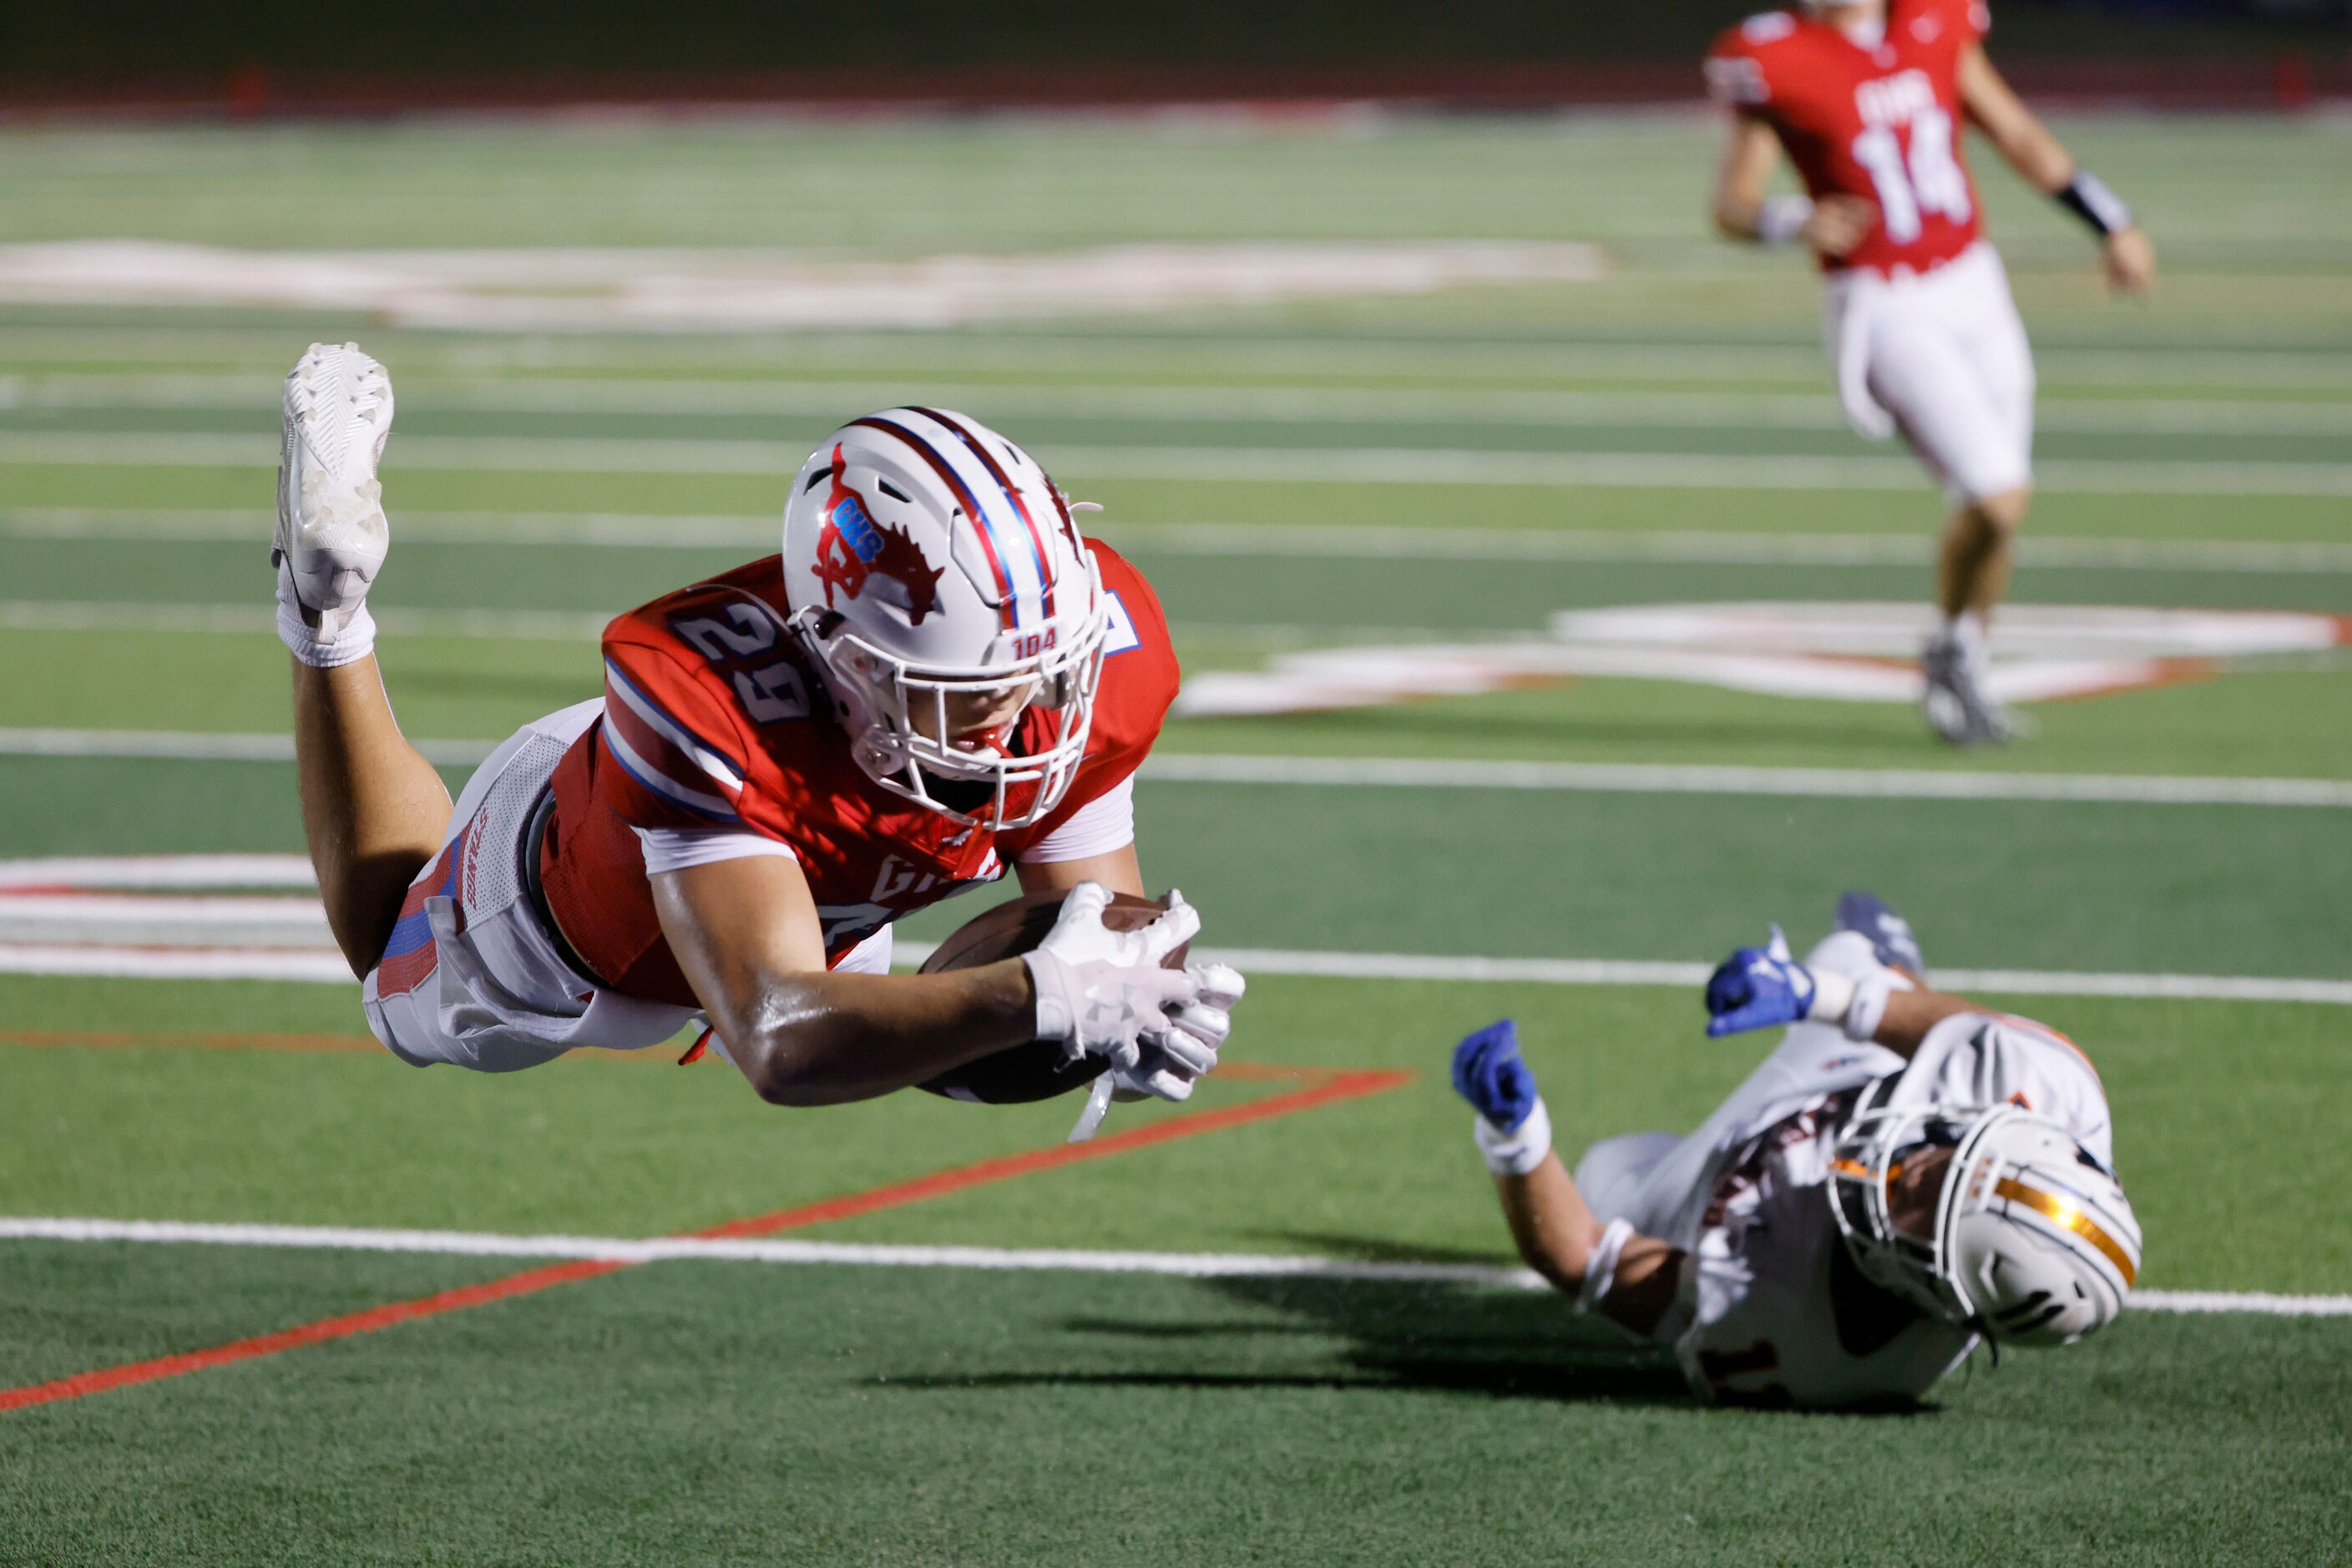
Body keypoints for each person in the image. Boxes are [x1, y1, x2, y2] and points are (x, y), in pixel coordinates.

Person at [272, 341, 1242, 1114]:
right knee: (388, 972)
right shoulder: (706, 712)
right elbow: (779, 1037)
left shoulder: (1079, 664)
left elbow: (1089, 923)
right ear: (846, 660)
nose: (1028, 713)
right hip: (576, 916)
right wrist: (1039, 999)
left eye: (1047, 671)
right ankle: (325, 611)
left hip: (817, 893)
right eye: (973, 690)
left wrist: (1129, 993)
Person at [1449, 893, 2139, 1406]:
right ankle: (1881, 953)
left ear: (1934, 1295)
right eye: (1946, 1159)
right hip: (1845, 1083)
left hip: (1710, 1200)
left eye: (1919, 1203)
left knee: (1603, 1172)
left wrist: (1515, 1135)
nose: (1910, 1167)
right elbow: (1957, 1037)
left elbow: (1585, 1260)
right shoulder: (2049, 1092)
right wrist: (1817, 995)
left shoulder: (1799, 1339)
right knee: (1854, 961)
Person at [1705, 0, 2157, 743]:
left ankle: (1961, 657)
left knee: (2002, 501)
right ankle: (1952, 647)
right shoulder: (1774, 55)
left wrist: (2109, 219)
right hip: (1884, 302)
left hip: (1974, 285)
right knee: (1994, 494)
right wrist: (1786, 220)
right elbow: (1730, 203)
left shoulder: (1934, 20)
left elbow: (2015, 132)